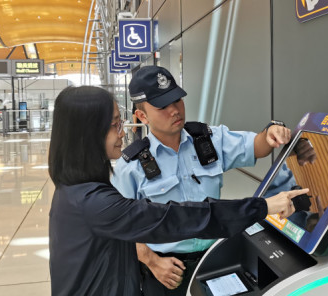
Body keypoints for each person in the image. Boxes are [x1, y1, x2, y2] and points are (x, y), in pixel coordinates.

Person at [48, 86, 308, 295]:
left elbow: (254, 146)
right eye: (116, 125)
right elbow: (174, 218)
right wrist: (263, 207)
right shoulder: (94, 202)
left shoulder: (78, 191)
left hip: (210, 257)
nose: (122, 134)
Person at [111, 66, 297, 295]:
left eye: (177, 100)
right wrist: (152, 261)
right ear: (142, 116)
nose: (175, 110)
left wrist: (270, 134)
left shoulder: (209, 140)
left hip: (217, 258)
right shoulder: (132, 165)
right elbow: (120, 228)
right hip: (168, 272)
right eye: (163, 106)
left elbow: (255, 146)